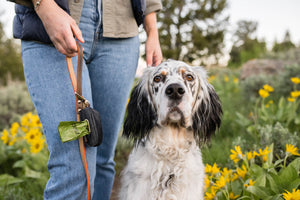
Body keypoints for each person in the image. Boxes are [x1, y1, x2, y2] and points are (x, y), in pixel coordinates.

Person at [9, 0, 162, 199]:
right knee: (73, 166)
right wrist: (45, 7)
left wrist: (153, 32)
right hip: (53, 24)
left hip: (121, 31)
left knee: (102, 158)